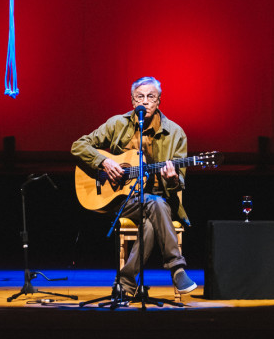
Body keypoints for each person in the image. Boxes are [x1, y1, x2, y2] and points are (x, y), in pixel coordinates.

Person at [71, 75, 197, 296]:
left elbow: (180, 182)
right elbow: (78, 146)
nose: (145, 101)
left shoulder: (176, 133)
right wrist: (104, 161)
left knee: (153, 214)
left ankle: (125, 283)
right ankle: (177, 268)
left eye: (151, 97)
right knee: (154, 207)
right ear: (132, 101)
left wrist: (173, 178)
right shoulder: (117, 124)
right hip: (123, 200)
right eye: (140, 97)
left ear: (159, 101)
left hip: (161, 200)